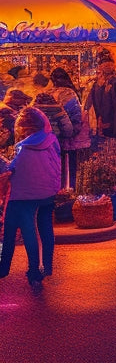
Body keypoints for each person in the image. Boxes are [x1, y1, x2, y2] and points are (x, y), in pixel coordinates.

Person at [0, 107, 61, 294]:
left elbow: (14, 169)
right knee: (45, 228)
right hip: (49, 192)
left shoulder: (25, 148)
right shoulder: (52, 140)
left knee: (29, 230)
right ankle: (45, 267)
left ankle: (33, 271)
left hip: (25, 196)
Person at [49, 67, 91, 188]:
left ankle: (58, 191)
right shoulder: (69, 94)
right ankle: (69, 192)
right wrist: (72, 132)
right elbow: (76, 116)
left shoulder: (49, 93)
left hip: (51, 138)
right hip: (69, 139)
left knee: (55, 168)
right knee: (70, 169)